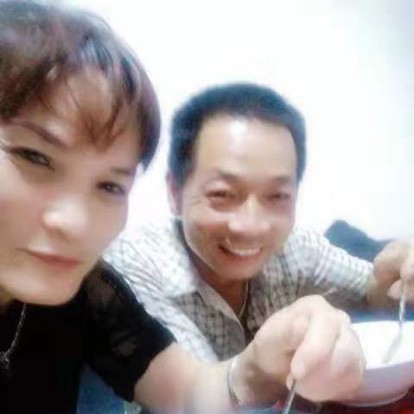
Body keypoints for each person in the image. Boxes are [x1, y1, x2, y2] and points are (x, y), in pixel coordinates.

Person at [0, 1, 368, 413]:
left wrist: (257, 366)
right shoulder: (138, 262)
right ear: (174, 192)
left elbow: (188, 391)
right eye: (34, 157)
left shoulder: (91, 292)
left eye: (110, 185)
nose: (75, 223)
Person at [106, 82, 414, 393]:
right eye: (222, 194)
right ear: (175, 192)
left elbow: (371, 294)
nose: (251, 226)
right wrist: (258, 369)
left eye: (277, 196)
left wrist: (393, 283)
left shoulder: (296, 247)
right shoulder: (136, 267)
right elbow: (188, 396)